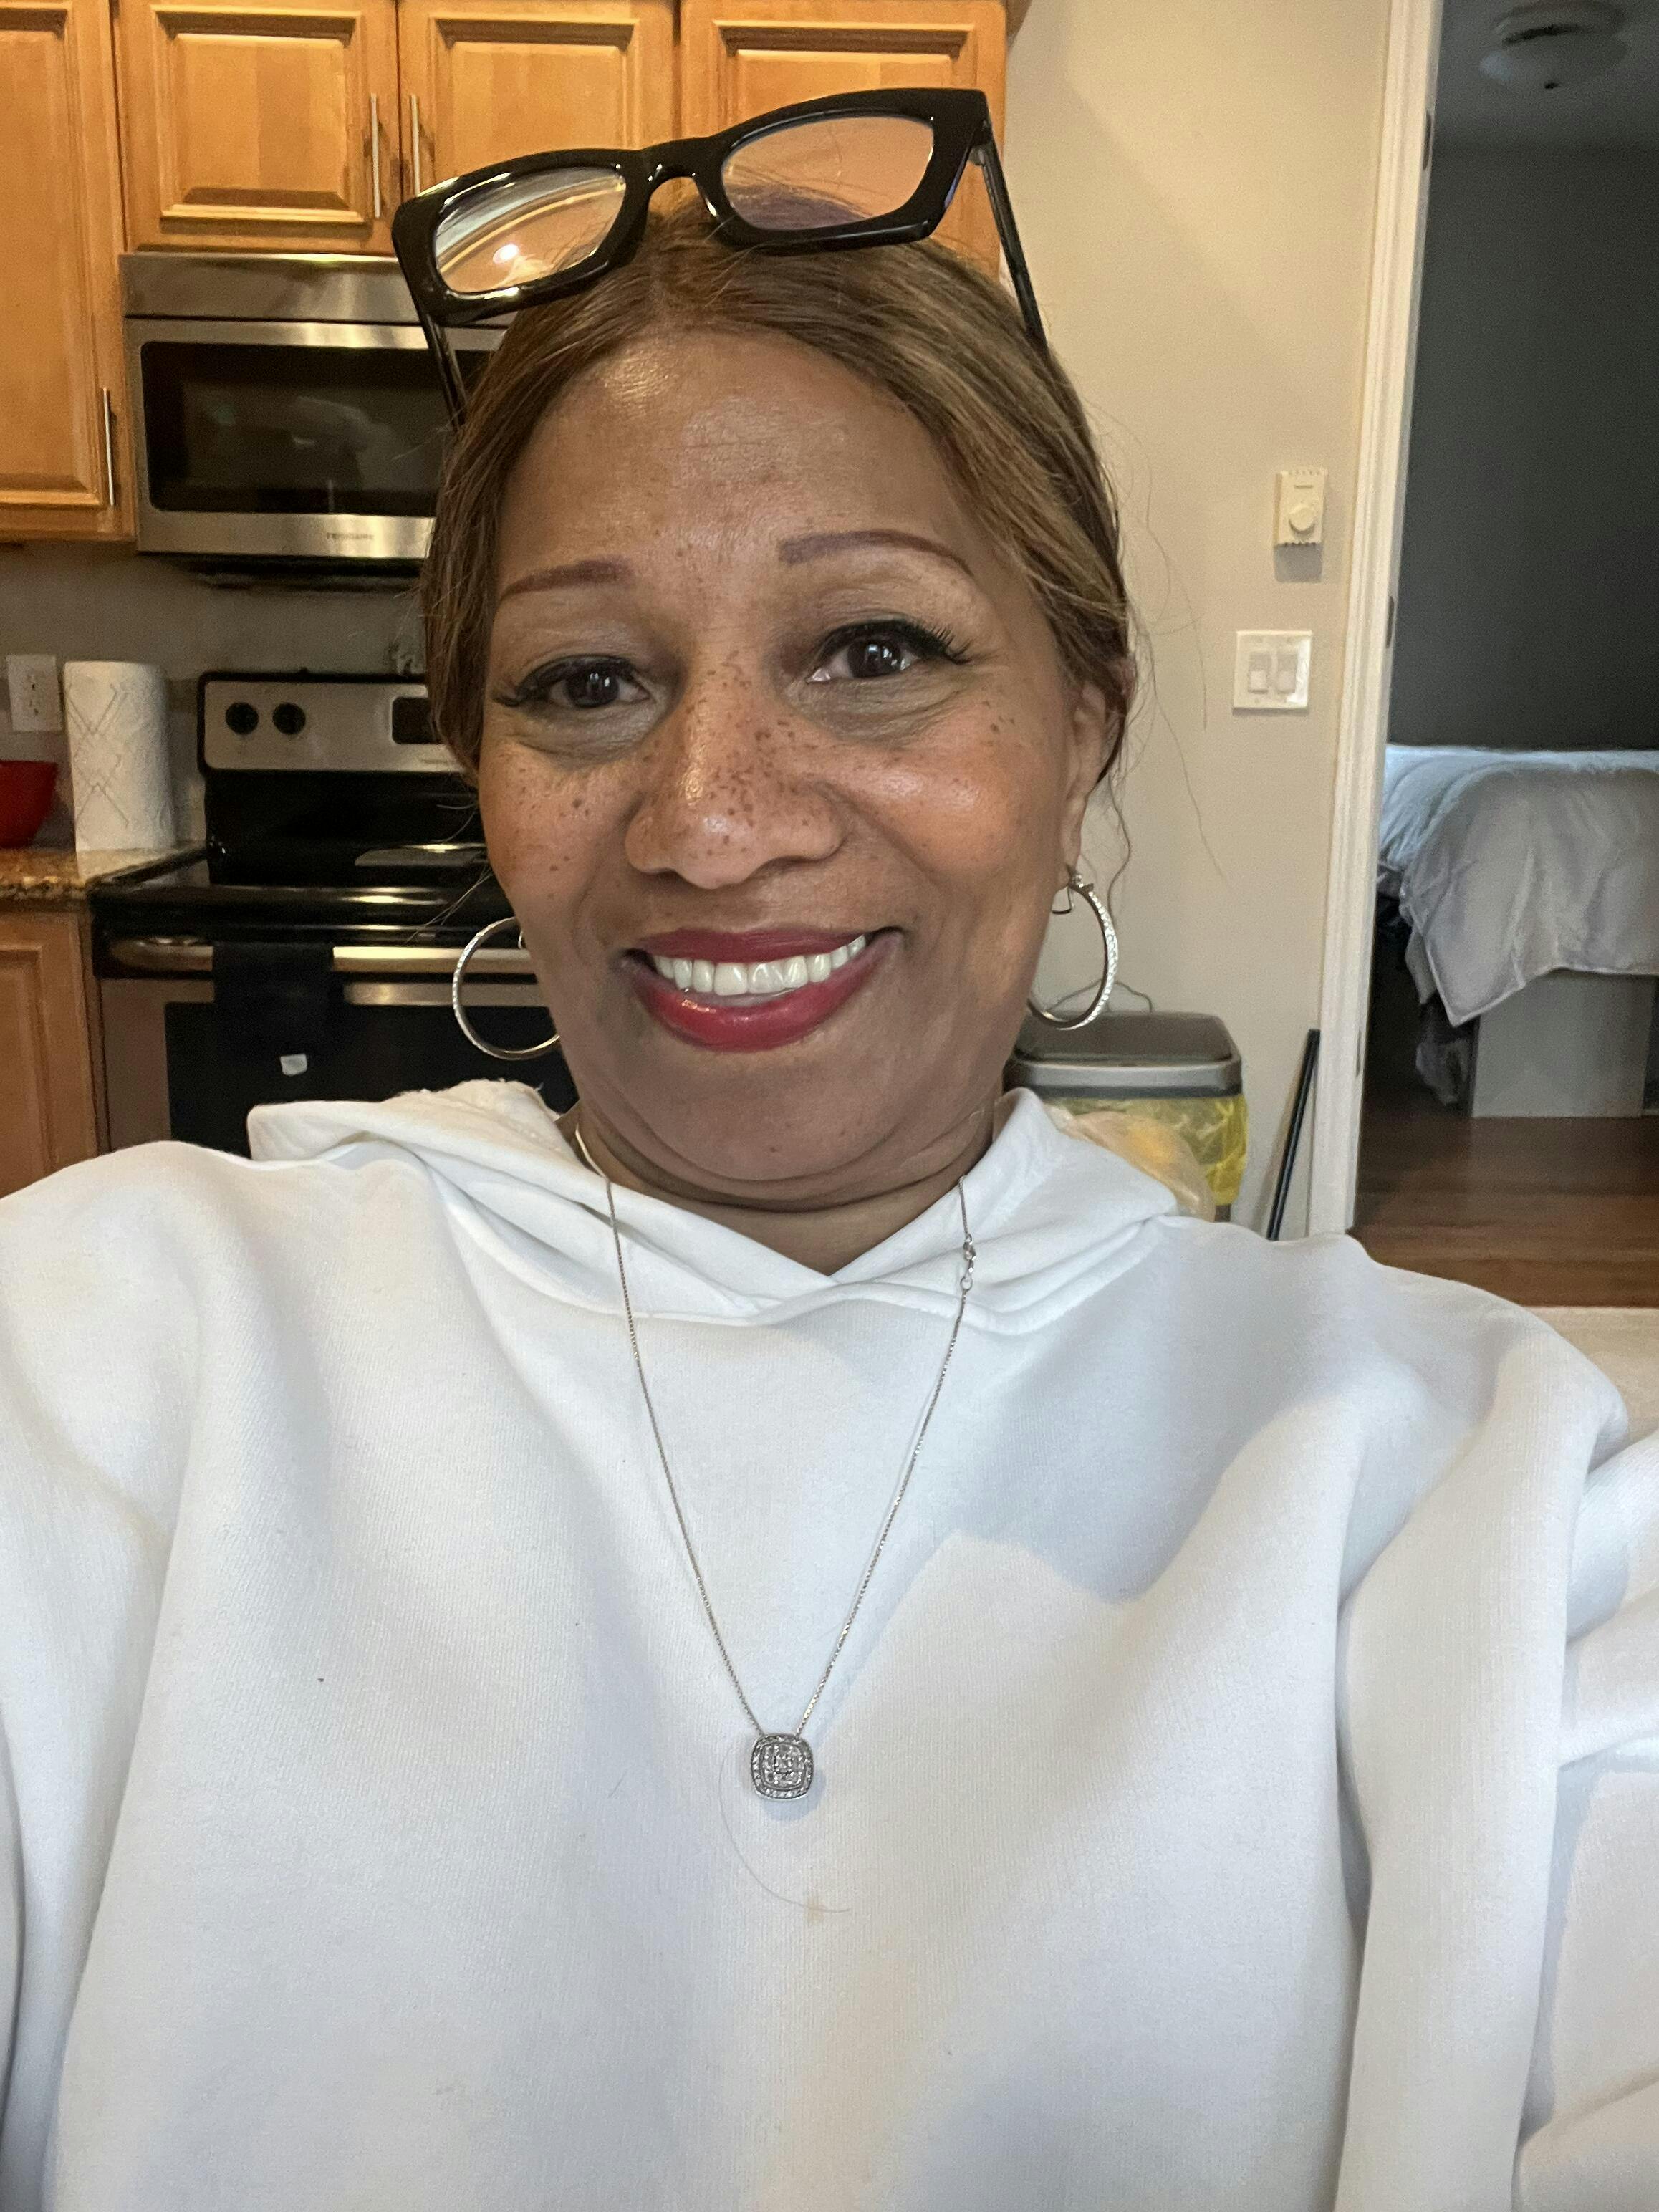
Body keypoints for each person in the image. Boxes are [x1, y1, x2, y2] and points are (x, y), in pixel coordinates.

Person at [1, 105, 1656, 2212]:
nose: (713, 821)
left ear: (1082, 715)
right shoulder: (93, 1352)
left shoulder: (1482, 1482)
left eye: (874, 651)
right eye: (587, 680)